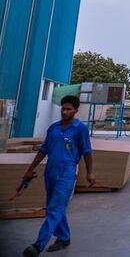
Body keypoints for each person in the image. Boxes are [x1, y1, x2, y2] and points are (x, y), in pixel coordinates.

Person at [22, 95, 95, 257]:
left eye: (69, 109)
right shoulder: (53, 128)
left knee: (54, 209)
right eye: (63, 108)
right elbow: (43, 150)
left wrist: (90, 172)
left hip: (67, 173)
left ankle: (38, 245)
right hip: (50, 172)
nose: (65, 111)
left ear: (76, 110)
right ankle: (64, 237)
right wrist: (30, 169)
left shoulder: (80, 129)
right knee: (54, 207)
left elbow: (87, 152)